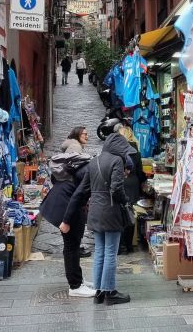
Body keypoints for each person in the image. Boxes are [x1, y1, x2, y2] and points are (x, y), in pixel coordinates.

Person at [61, 127, 136, 305]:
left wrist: (66, 217)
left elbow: (81, 191)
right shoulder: (117, 160)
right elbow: (116, 188)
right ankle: (110, 292)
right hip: (111, 212)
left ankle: (99, 292)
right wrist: (125, 201)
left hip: (95, 211)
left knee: (100, 252)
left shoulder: (94, 161)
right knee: (111, 252)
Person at [40, 152, 96, 297]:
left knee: (74, 245)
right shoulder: (93, 170)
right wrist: (66, 221)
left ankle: (78, 279)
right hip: (65, 205)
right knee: (71, 246)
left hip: (62, 200)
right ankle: (75, 286)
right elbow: (78, 197)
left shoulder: (90, 166)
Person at [116, 124, 146, 255]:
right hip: (133, 185)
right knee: (131, 214)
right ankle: (129, 245)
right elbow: (140, 172)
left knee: (120, 214)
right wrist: (143, 181)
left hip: (121, 183)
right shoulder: (136, 152)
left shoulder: (117, 150)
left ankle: (120, 244)